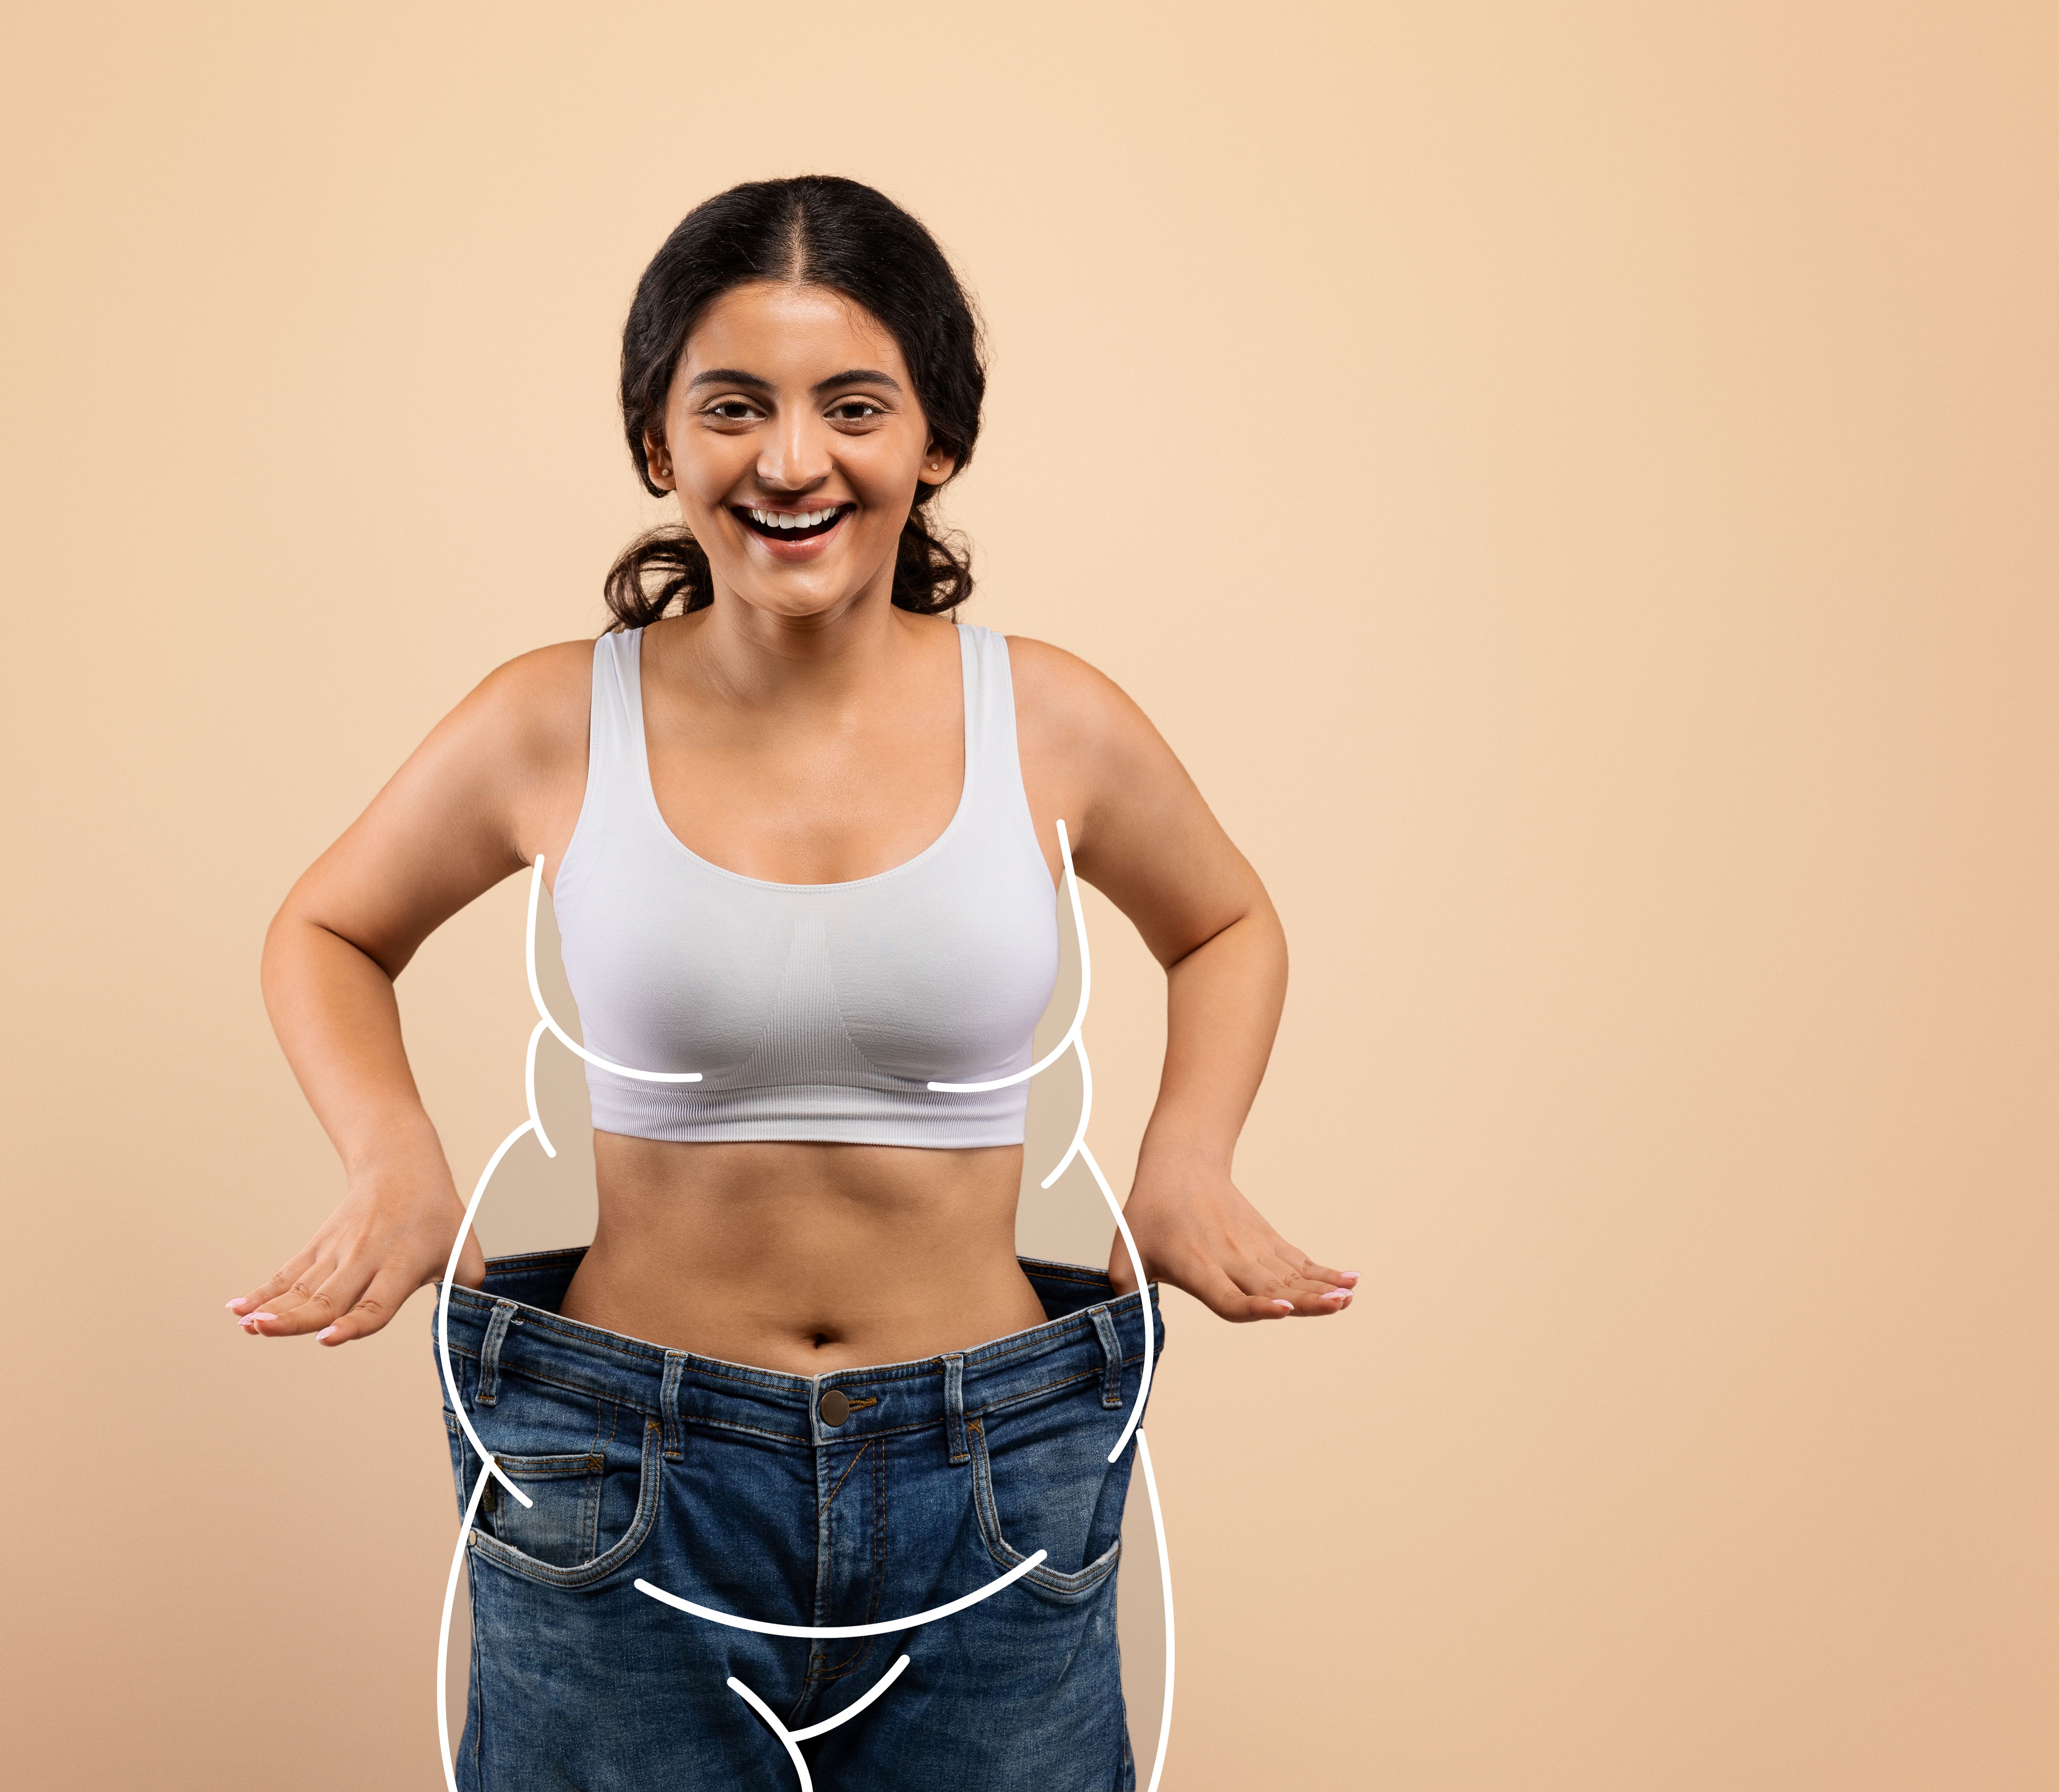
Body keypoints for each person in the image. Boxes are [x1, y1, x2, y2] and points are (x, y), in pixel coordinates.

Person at [232, 174, 1353, 1791]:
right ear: (657, 444)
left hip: (994, 1467)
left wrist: (1187, 1164)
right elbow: (326, 932)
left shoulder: (1052, 719)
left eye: (855, 406)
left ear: (936, 443)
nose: (791, 458)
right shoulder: (553, 719)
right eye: (733, 406)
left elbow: (1225, 925)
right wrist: (393, 1162)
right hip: (624, 1472)